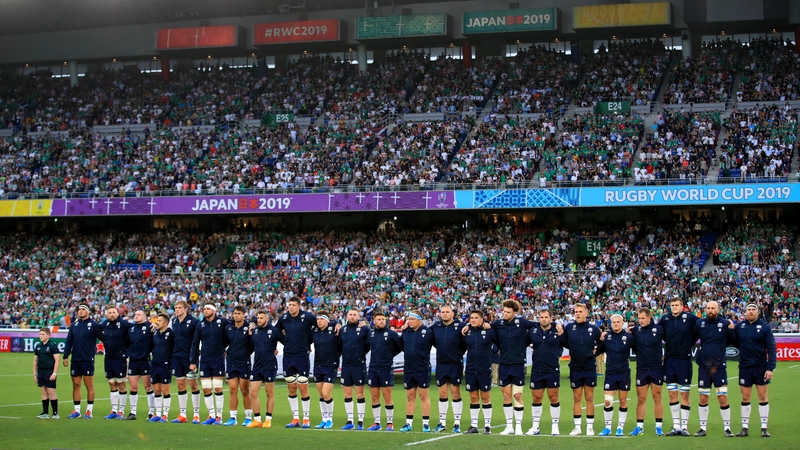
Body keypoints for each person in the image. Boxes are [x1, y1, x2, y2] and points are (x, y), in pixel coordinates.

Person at [492, 299, 538, 435]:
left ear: (515, 313)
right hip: (504, 364)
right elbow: (487, 328)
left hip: (518, 364)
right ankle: (509, 426)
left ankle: (518, 426)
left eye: (508, 312)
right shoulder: (498, 324)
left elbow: (538, 325)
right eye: (504, 311)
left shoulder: (522, 322)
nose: (505, 314)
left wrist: (555, 325)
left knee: (517, 395)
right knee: (506, 396)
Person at [693, 300, 736, 437]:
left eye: (713, 308)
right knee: (703, 398)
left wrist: (732, 329)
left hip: (719, 366)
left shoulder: (724, 324)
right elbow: (691, 339)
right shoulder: (700, 324)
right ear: (705, 310)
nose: (710, 310)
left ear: (718, 310)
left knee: (722, 397)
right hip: (704, 367)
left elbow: (734, 340)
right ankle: (702, 428)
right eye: (708, 308)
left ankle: (727, 428)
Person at [733, 304, 776, 438]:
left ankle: (764, 427)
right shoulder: (740, 327)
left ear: (757, 312)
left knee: (762, 396)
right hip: (745, 367)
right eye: (749, 310)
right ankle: (744, 428)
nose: (751, 312)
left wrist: (770, 368)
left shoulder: (764, 328)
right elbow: (733, 341)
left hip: (760, 367)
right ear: (745, 313)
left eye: (753, 310)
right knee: (745, 397)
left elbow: (771, 348)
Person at [276, 296, 319, 429]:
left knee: (303, 386)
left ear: (299, 306)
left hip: (302, 355)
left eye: (293, 305)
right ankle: (295, 418)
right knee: (291, 387)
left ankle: (306, 418)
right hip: (288, 355)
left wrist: (308, 342)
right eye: (289, 305)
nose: (291, 307)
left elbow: (320, 325)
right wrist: (285, 341)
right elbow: (276, 331)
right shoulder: (283, 318)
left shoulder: (307, 317)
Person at [563, 302, 603, 436]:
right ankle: (577, 427)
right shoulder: (569, 328)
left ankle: (590, 427)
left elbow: (602, 343)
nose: (578, 314)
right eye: (576, 312)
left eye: (580, 311)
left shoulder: (594, 329)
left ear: (586, 313)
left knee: (589, 397)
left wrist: (595, 353)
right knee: (576, 397)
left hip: (589, 367)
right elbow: (564, 342)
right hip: (575, 367)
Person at [660, 297, 698, 436]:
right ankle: (676, 426)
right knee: (672, 393)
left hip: (684, 360)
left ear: (682, 306)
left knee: (684, 394)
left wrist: (689, 342)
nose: (674, 307)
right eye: (672, 305)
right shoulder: (665, 319)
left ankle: (684, 427)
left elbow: (702, 326)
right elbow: (656, 331)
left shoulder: (690, 318)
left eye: (677, 305)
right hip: (669, 359)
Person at [527, 309, 566, 436]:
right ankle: (535, 427)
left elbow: (568, 343)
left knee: (553, 398)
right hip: (537, 370)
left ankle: (555, 426)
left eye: (546, 317)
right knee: (536, 398)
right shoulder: (533, 330)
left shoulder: (558, 331)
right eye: (541, 317)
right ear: (538, 318)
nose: (544, 319)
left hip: (552, 370)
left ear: (551, 318)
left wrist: (556, 325)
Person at [190, 303, 230, 425]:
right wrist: (193, 361)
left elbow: (232, 335)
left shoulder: (223, 322)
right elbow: (195, 343)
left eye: (208, 309)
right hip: (205, 360)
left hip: (218, 359)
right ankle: (211, 415)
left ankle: (219, 416)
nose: (205, 310)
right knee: (206, 388)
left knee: (217, 387)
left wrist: (224, 348)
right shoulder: (200, 325)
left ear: (214, 311)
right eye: (204, 309)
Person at [63, 303, 105, 419]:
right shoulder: (74, 325)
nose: (80, 311)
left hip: (87, 359)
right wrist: (65, 356)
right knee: (76, 385)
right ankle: (76, 410)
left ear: (88, 312)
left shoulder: (94, 325)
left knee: (88, 385)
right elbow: (69, 342)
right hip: (75, 359)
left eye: (83, 309)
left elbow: (103, 338)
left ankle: (89, 411)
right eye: (79, 309)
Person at [430, 304, 467, 433]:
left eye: (447, 312)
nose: (445, 314)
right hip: (441, 364)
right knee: (442, 394)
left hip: (455, 364)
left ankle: (457, 423)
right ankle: (442, 422)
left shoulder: (461, 326)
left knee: (455, 393)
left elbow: (465, 344)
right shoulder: (436, 327)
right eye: (443, 312)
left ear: (452, 314)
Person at [629, 307, 666, 436]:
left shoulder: (659, 329)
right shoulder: (635, 330)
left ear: (649, 317)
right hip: (642, 369)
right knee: (641, 398)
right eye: (639, 318)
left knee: (657, 397)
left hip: (656, 368)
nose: (640, 321)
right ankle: (639, 427)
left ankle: (659, 426)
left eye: (643, 318)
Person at [366, 310, 402, 431]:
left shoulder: (391, 334)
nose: (381, 321)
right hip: (372, 368)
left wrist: (389, 355)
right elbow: (366, 348)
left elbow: (400, 347)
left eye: (383, 319)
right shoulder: (371, 334)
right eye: (379, 319)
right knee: (374, 396)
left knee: (387, 396)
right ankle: (377, 423)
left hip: (386, 368)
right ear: (374, 321)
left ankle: (390, 423)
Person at [399, 310, 434, 433]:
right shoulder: (405, 332)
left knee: (423, 396)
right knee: (410, 396)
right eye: (409, 319)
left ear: (419, 320)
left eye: (412, 319)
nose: (410, 321)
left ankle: (426, 424)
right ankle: (408, 423)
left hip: (422, 368)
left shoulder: (428, 332)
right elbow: (400, 346)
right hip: (409, 369)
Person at [247, 310, 283, 428]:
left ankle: (268, 419)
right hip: (257, 366)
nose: (259, 320)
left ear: (267, 319)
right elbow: (250, 348)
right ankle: (257, 419)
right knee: (252, 392)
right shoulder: (255, 332)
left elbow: (286, 342)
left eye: (261, 318)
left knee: (269, 393)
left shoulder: (274, 331)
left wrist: (276, 350)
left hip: (270, 366)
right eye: (258, 318)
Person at [598, 314, 632, 436]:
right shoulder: (606, 338)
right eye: (614, 322)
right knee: (608, 401)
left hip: (624, 373)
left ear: (622, 323)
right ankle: (607, 427)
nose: (616, 324)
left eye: (618, 322)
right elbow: (597, 351)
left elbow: (640, 349)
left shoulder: (629, 337)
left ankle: (620, 427)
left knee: (622, 400)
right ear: (610, 324)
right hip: (611, 373)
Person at [462, 310, 495, 435]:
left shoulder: (489, 331)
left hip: (484, 369)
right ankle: (474, 425)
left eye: (476, 318)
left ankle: (487, 426)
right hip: (470, 369)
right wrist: (467, 326)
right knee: (473, 398)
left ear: (482, 319)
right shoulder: (466, 332)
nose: (473, 320)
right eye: (471, 318)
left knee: (485, 397)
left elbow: (498, 342)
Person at [170, 300, 202, 424]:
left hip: (189, 358)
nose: (177, 310)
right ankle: (182, 414)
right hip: (177, 357)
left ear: (185, 309)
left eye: (179, 307)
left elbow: (197, 340)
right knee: (180, 385)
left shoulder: (194, 322)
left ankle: (196, 414)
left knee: (193, 385)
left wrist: (194, 359)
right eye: (175, 308)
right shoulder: (173, 321)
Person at [339, 307, 370, 430]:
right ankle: (350, 420)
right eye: (350, 314)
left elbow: (369, 344)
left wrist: (360, 354)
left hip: (358, 365)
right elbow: (339, 346)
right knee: (347, 394)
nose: (352, 316)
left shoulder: (364, 329)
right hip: (346, 365)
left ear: (358, 317)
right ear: (347, 316)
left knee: (359, 394)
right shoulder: (343, 330)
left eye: (354, 315)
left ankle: (361, 421)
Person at [223, 305, 254, 426]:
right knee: (232, 390)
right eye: (235, 313)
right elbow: (224, 342)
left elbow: (252, 345)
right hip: (231, 362)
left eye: (239, 313)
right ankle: (233, 417)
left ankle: (248, 417)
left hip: (244, 362)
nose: (236, 315)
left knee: (244, 390)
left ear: (244, 315)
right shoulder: (228, 328)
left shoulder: (248, 327)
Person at [100, 305, 132, 420]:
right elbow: (96, 331)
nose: (112, 314)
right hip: (108, 358)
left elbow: (135, 328)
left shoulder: (124, 324)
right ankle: (113, 410)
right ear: (106, 315)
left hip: (120, 358)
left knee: (121, 384)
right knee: (112, 384)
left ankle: (121, 411)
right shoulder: (104, 325)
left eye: (114, 312)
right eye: (110, 313)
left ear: (118, 314)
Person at [311, 310, 341, 429]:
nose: (319, 321)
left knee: (326, 393)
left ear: (327, 320)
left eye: (322, 319)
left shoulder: (334, 329)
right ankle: (324, 419)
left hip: (330, 365)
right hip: (318, 365)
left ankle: (330, 419)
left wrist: (337, 323)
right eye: (318, 319)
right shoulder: (314, 331)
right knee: (321, 394)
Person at [125, 310, 154, 421]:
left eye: (139, 315)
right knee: (133, 387)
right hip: (133, 361)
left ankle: (151, 412)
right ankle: (133, 412)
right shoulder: (131, 329)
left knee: (148, 387)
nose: (136, 316)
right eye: (135, 314)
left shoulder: (149, 327)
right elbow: (127, 343)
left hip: (145, 361)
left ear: (144, 317)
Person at [150, 313, 175, 422]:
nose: (157, 322)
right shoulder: (155, 333)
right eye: (157, 320)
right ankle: (158, 413)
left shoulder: (171, 334)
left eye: (159, 321)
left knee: (165, 390)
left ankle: (165, 414)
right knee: (156, 390)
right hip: (154, 364)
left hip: (165, 365)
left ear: (165, 323)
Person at [34, 327, 61, 419]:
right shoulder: (38, 346)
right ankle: (45, 412)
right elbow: (35, 361)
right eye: (40, 334)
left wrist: (54, 373)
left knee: (51, 391)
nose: (40, 336)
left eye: (43, 334)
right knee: (43, 391)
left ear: (48, 335)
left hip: (49, 372)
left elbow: (57, 360)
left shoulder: (52, 346)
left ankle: (55, 413)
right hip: (41, 372)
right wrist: (34, 374)